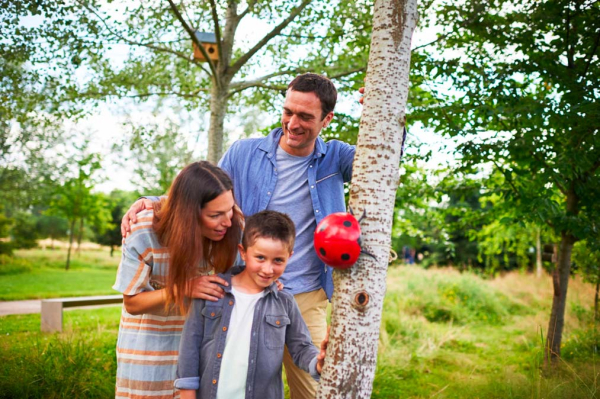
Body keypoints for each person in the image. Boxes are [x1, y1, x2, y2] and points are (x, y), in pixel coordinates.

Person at [122, 73, 355, 399]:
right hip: (244, 290)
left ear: (327, 119)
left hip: (305, 296)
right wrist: (159, 202)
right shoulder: (245, 153)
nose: (293, 123)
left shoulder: (336, 158)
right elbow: (205, 192)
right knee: (239, 382)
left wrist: (379, 114)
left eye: (306, 117)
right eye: (288, 111)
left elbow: (386, 158)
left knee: (317, 389)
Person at [113, 161, 243, 399]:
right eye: (215, 215)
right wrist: (185, 288)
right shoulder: (143, 230)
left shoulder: (233, 227)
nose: (228, 221)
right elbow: (132, 303)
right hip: (149, 354)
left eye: (230, 209)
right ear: (188, 215)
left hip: (204, 351)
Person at [175, 210, 328, 399]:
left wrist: (319, 363)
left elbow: (302, 348)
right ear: (243, 252)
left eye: (278, 260)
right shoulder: (212, 291)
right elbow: (189, 351)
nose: (267, 269)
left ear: (290, 256)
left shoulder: (285, 302)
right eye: (260, 258)